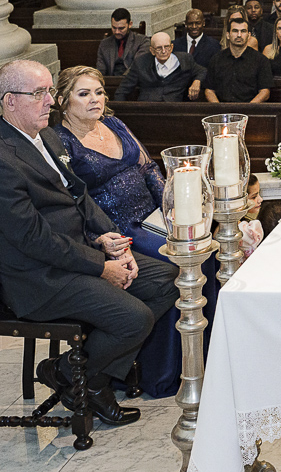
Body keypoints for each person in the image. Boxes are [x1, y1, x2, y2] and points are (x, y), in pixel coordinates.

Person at [0, 60, 176, 426]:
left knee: (165, 280)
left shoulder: (45, 136)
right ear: (9, 101)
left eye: (49, 91)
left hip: (79, 252)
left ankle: (74, 374)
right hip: (39, 276)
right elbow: (33, 238)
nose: (50, 101)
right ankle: (87, 378)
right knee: (134, 318)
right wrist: (101, 266)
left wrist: (114, 241)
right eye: (39, 93)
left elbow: (79, 195)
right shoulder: (4, 157)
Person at [54, 66, 218, 399]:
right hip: (116, 232)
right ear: (62, 100)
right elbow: (75, 201)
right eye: (83, 94)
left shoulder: (114, 124)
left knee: (206, 252)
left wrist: (176, 212)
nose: (95, 99)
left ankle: (205, 360)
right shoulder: (61, 141)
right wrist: (107, 238)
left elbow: (150, 170)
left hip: (152, 219)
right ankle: (164, 371)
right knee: (179, 266)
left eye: (99, 92)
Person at [115, 31, 205, 101]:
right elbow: (122, 90)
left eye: (167, 47)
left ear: (172, 47)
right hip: (147, 111)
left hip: (175, 112)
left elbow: (202, 71)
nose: (163, 51)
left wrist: (197, 81)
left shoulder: (185, 59)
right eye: (159, 48)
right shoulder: (141, 62)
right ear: (152, 50)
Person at [203, 16, 272, 103]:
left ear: (249, 35)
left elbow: (265, 92)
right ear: (228, 35)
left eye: (243, 31)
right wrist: (220, 109)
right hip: (222, 111)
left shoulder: (261, 60)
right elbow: (209, 90)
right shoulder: (216, 59)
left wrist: (248, 108)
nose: (239, 35)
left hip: (250, 111)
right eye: (235, 31)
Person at [96, 8, 150, 77]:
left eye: (121, 28)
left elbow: (138, 66)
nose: (117, 32)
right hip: (110, 83)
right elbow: (101, 70)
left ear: (130, 24)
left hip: (134, 83)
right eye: (114, 27)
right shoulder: (105, 44)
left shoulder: (142, 41)